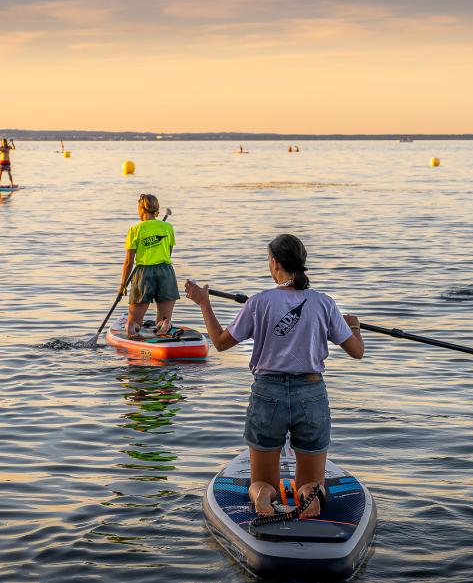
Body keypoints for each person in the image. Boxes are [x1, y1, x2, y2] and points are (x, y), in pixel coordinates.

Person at [185, 233, 364, 518]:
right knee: (310, 482)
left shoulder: (259, 302)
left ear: (274, 263)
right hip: (311, 393)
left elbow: (219, 342)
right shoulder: (324, 303)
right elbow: (356, 352)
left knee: (261, 482)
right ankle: (310, 497)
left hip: (268, 394)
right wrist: (353, 326)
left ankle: (264, 498)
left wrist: (204, 303)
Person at [119, 193, 179, 338]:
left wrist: (122, 285)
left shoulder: (135, 230)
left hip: (144, 273)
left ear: (141, 209)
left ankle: (133, 329)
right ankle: (164, 324)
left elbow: (129, 262)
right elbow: (168, 253)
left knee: (133, 324)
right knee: (163, 319)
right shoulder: (167, 227)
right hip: (166, 272)